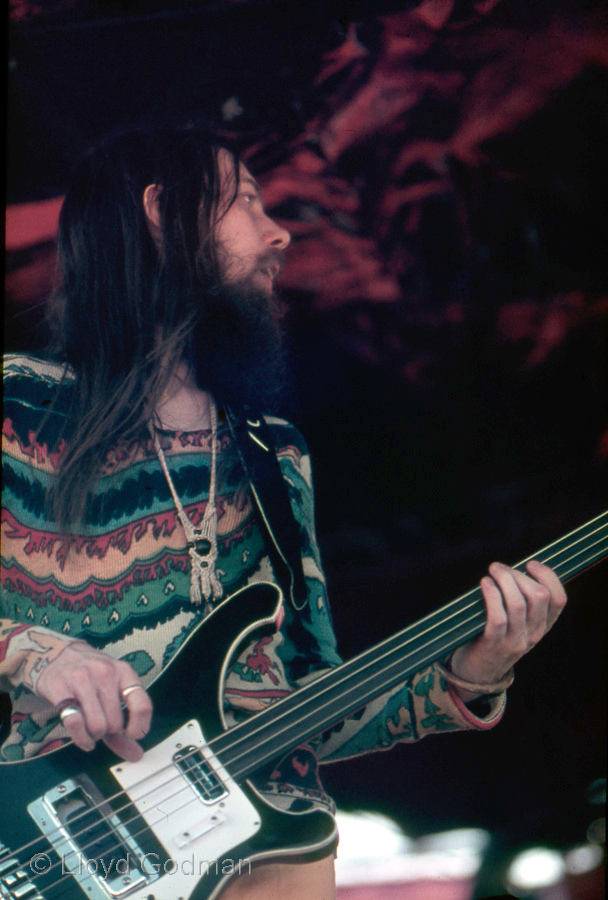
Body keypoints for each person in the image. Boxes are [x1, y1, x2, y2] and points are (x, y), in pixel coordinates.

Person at [1, 128, 567, 899]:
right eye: (247, 203)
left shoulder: (273, 453)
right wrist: (40, 654)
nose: (281, 234)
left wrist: (465, 677)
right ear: (164, 214)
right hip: (47, 848)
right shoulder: (17, 406)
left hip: (269, 857)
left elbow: (306, 699)